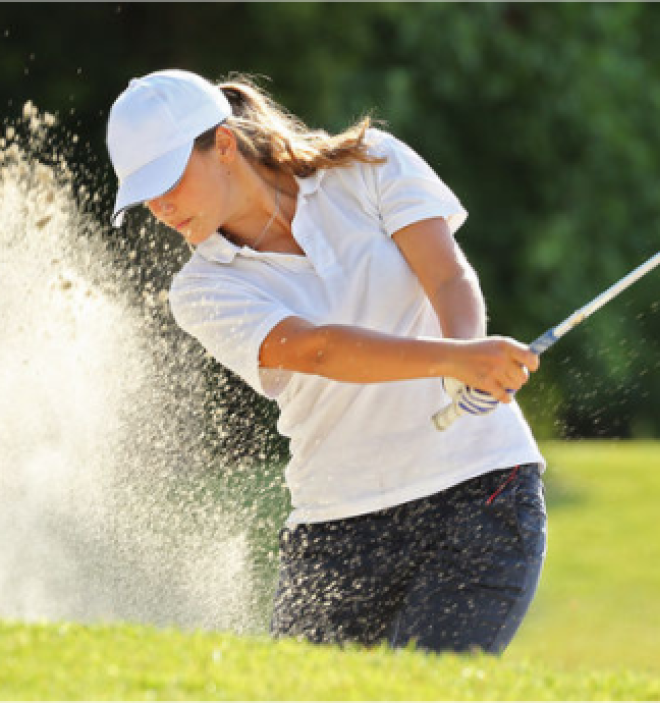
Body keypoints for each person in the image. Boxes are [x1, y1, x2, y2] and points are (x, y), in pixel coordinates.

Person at [106, 69, 546, 653]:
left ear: (225, 146)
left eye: (170, 181)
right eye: (145, 195)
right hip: (337, 528)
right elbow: (317, 350)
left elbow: (447, 277)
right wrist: (456, 358)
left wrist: (463, 357)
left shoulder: (370, 165)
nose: (161, 207)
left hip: (478, 496)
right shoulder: (201, 288)